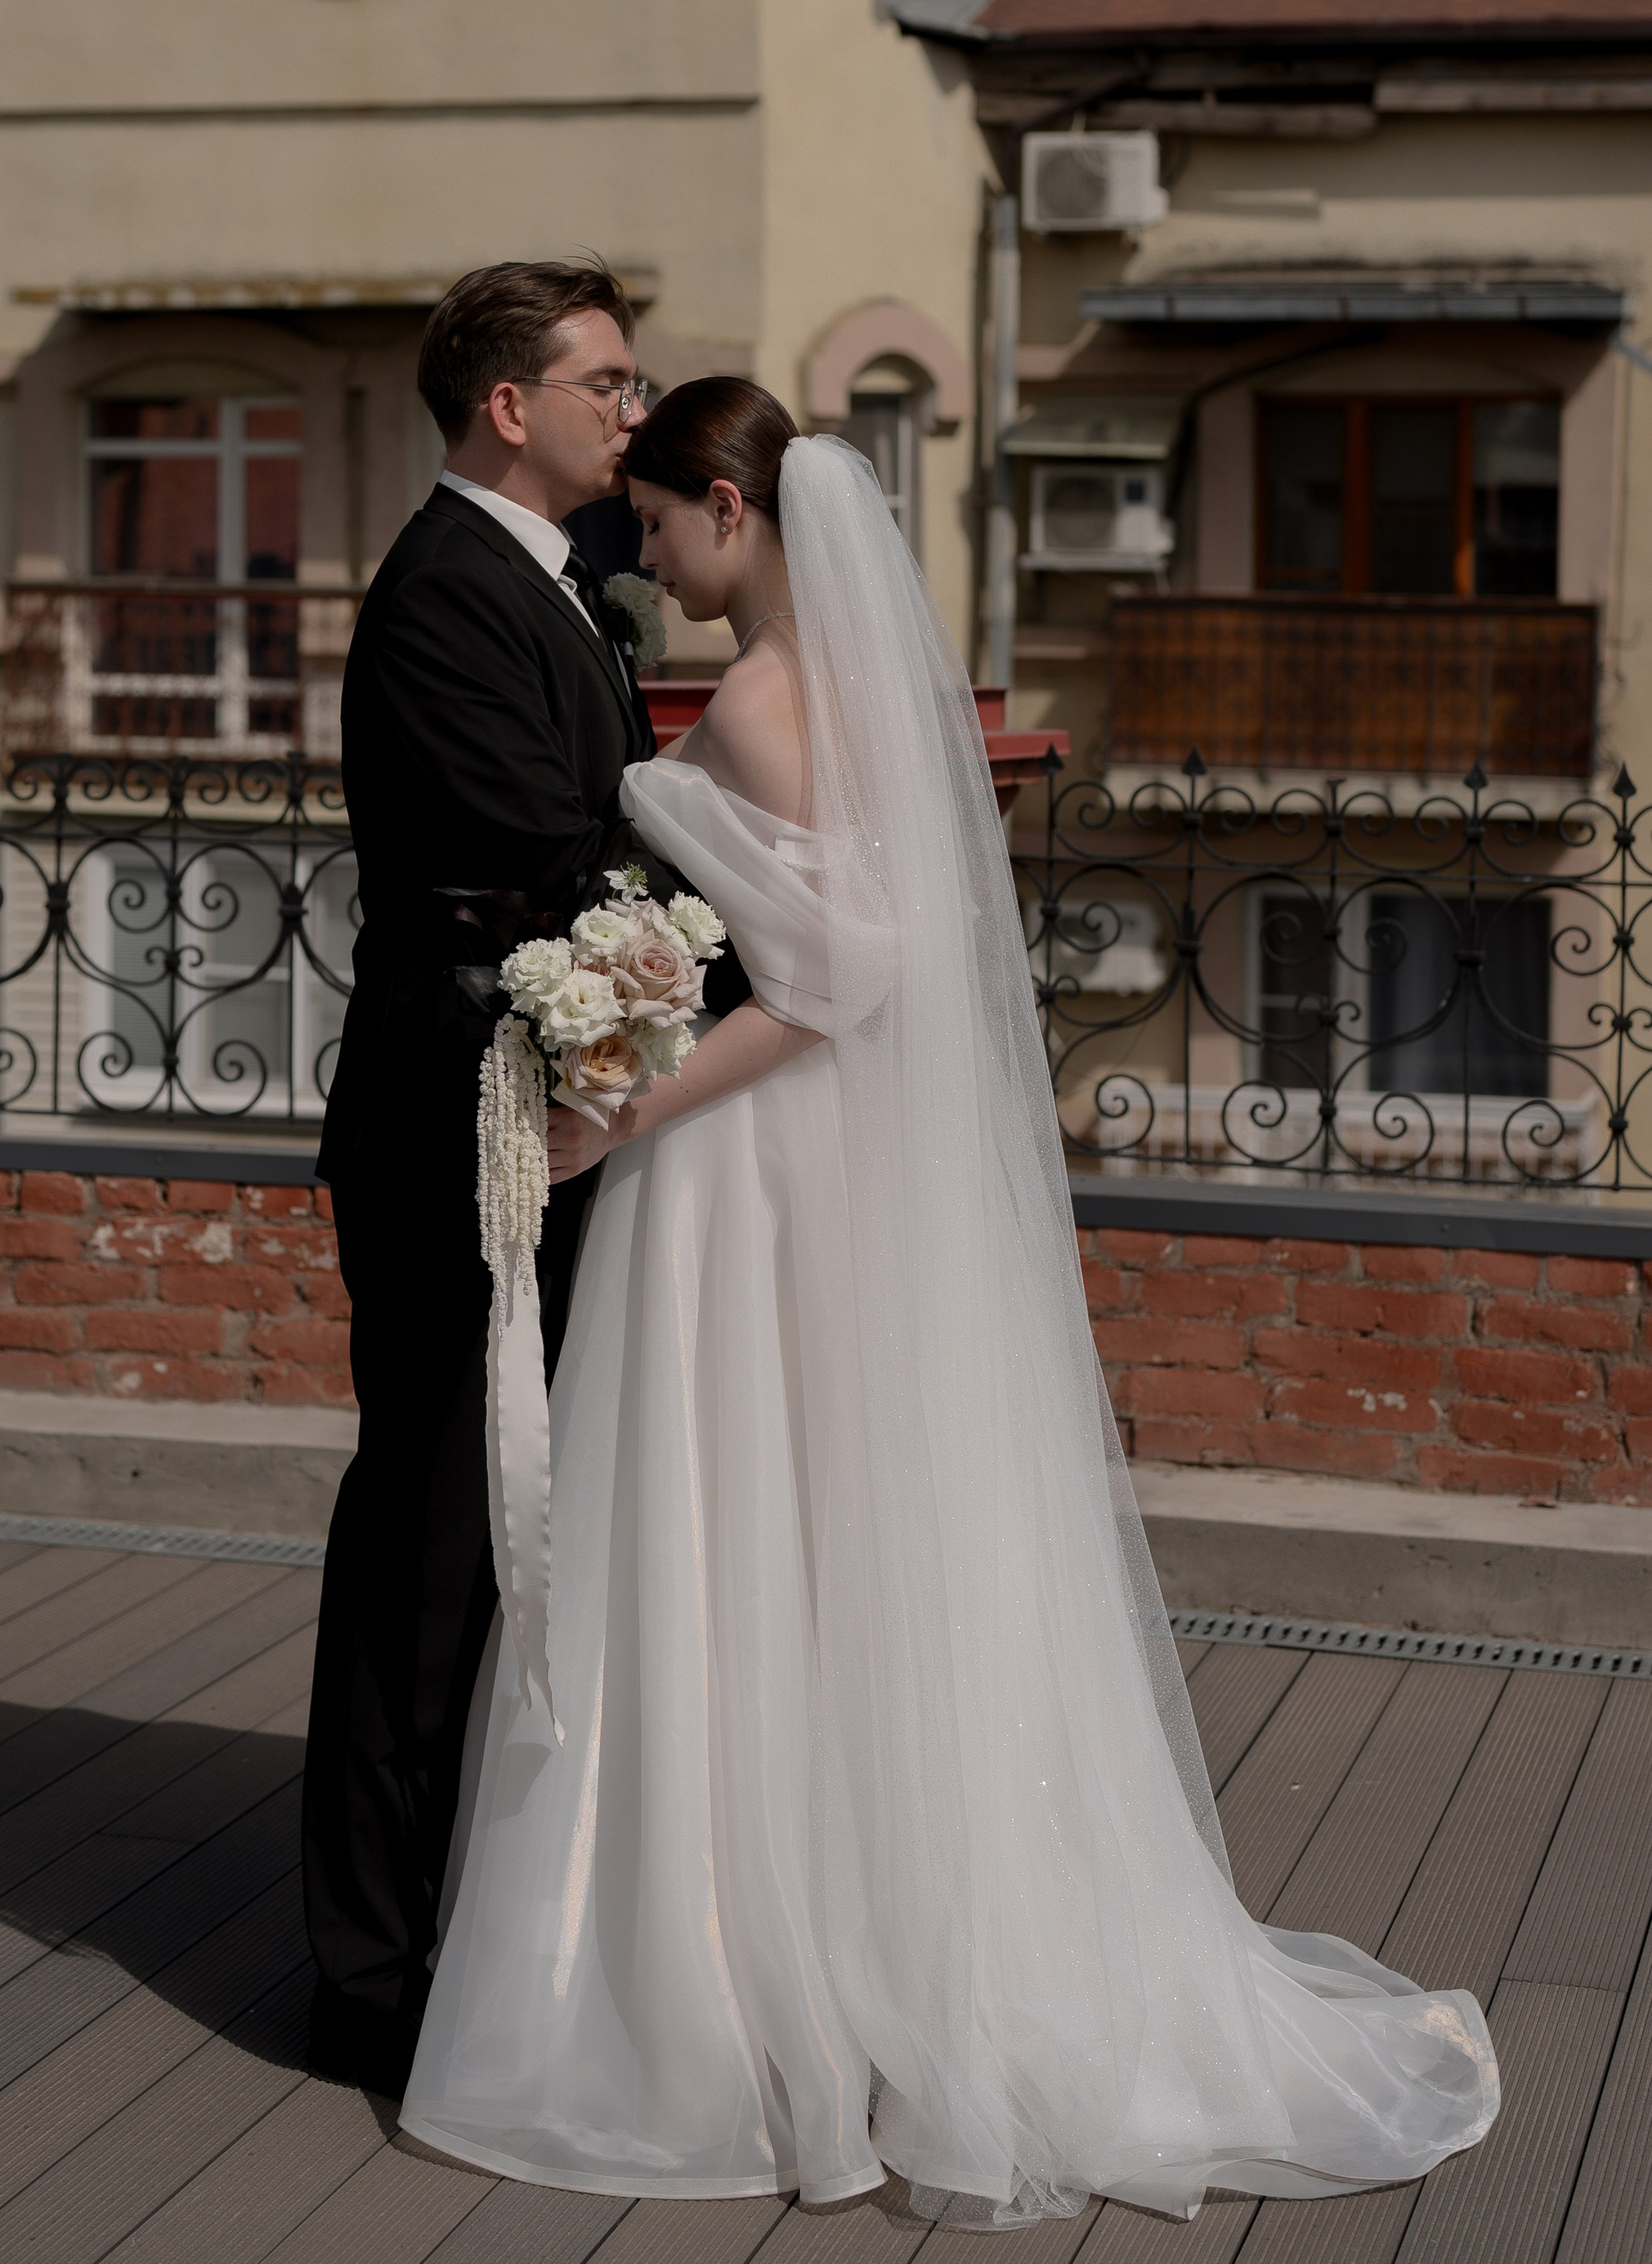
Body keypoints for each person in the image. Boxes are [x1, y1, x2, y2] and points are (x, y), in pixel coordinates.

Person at [401, 378, 1499, 2226]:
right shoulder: (871, 695)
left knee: (739, 1530)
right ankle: (873, 1931)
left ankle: (740, 1980)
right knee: (852, 1535)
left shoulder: (758, 698)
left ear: (731, 509)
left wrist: (627, 1104)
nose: (641, 552)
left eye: (660, 522)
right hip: (833, 1162)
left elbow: (835, 975)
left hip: (751, 1157)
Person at [301, 258, 663, 2099]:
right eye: (606, 375)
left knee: (528, 1540)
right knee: (432, 1548)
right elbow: (542, 841)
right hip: (455, 1132)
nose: (635, 401)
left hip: (557, 1105)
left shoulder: (571, 589)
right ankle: (368, 1976)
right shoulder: (442, 595)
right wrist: (771, 869)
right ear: (507, 406)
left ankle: (483, 1910)